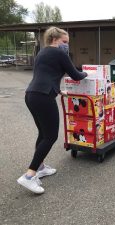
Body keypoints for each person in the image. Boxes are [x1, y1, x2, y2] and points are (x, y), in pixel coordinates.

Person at [17, 26, 87, 194]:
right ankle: (29, 176)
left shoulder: (41, 53)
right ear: (54, 39)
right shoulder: (59, 53)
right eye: (64, 42)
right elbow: (76, 75)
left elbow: (46, 75)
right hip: (43, 97)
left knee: (43, 134)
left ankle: (40, 167)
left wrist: (58, 90)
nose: (66, 46)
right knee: (51, 136)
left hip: (31, 95)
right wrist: (87, 73)